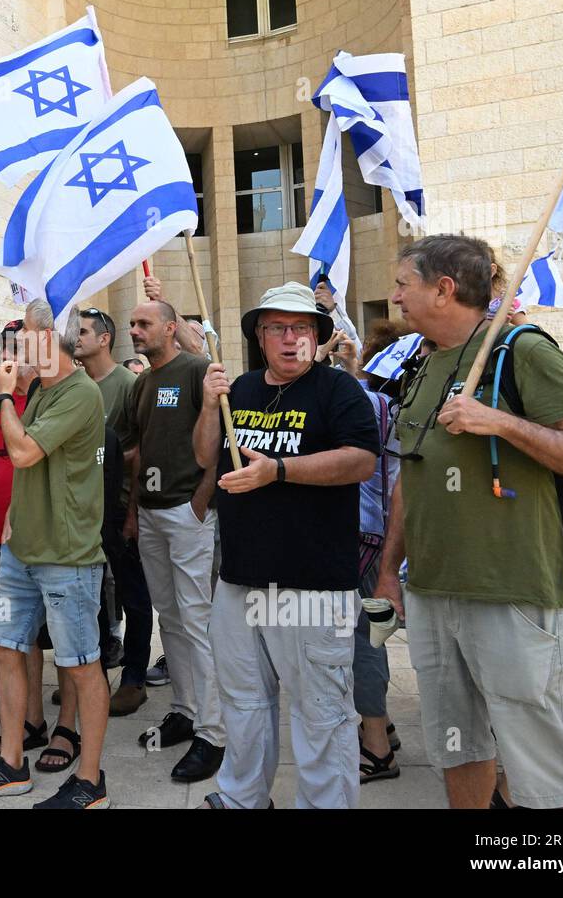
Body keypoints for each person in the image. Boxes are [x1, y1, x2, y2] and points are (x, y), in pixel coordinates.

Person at [376, 234, 563, 809]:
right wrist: (388, 570)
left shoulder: (523, 351)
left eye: (403, 284)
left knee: (552, 761)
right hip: (432, 591)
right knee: (457, 745)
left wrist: (501, 423)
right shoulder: (421, 362)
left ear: (443, 289)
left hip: (514, 592)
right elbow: (413, 474)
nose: (395, 297)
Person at [194, 282, 380, 809]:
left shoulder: (337, 389)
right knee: (243, 700)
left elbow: (361, 461)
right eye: (277, 328)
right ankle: (242, 797)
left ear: (317, 336)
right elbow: (205, 456)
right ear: (260, 336)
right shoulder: (240, 389)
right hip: (240, 578)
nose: (291, 338)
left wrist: (278, 470)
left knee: (321, 710)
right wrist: (208, 405)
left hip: (312, 582)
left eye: (301, 327)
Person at [0, 300, 110, 807]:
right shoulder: (40, 388)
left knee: (81, 663)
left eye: (24, 333)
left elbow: (21, 452)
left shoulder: (80, 392)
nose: (16, 344)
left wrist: (3, 395)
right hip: (20, 552)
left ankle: (90, 782)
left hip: (67, 556)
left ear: (49, 337)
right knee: (5, 648)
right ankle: (12, 764)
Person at [123, 298, 225, 783]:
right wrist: (134, 509)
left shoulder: (198, 369)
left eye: (144, 323)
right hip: (150, 513)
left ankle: (213, 731)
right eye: (132, 323)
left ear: (169, 328)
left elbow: (219, 440)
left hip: (188, 512)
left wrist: (201, 500)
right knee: (170, 617)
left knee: (196, 619)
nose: (135, 330)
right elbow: (139, 450)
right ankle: (185, 710)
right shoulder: (142, 383)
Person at [0, 321, 49, 760]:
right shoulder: (3, 403)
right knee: (10, 634)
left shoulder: (44, 401)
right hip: (1, 534)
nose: (7, 359)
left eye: (16, 351)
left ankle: (39, 721)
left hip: (35, 535)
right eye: (4, 351)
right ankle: (22, 723)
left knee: (38, 638)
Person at [74, 307, 152, 718]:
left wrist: (132, 511)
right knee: (91, 597)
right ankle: (94, 679)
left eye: (83, 331)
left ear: (104, 339)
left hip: (118, 507)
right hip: (81, 509)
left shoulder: (128, 384)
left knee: (133, 595)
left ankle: (134, 678)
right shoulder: (74, 384)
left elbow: (142, 449)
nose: (75, 337)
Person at [352, 327, 403, 783]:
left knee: (362, 640)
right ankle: (382, 724)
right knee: (374, 635)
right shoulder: (403, 408)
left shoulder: (369, 404)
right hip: (386, 533)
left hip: (362, 533)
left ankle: (376, 748)